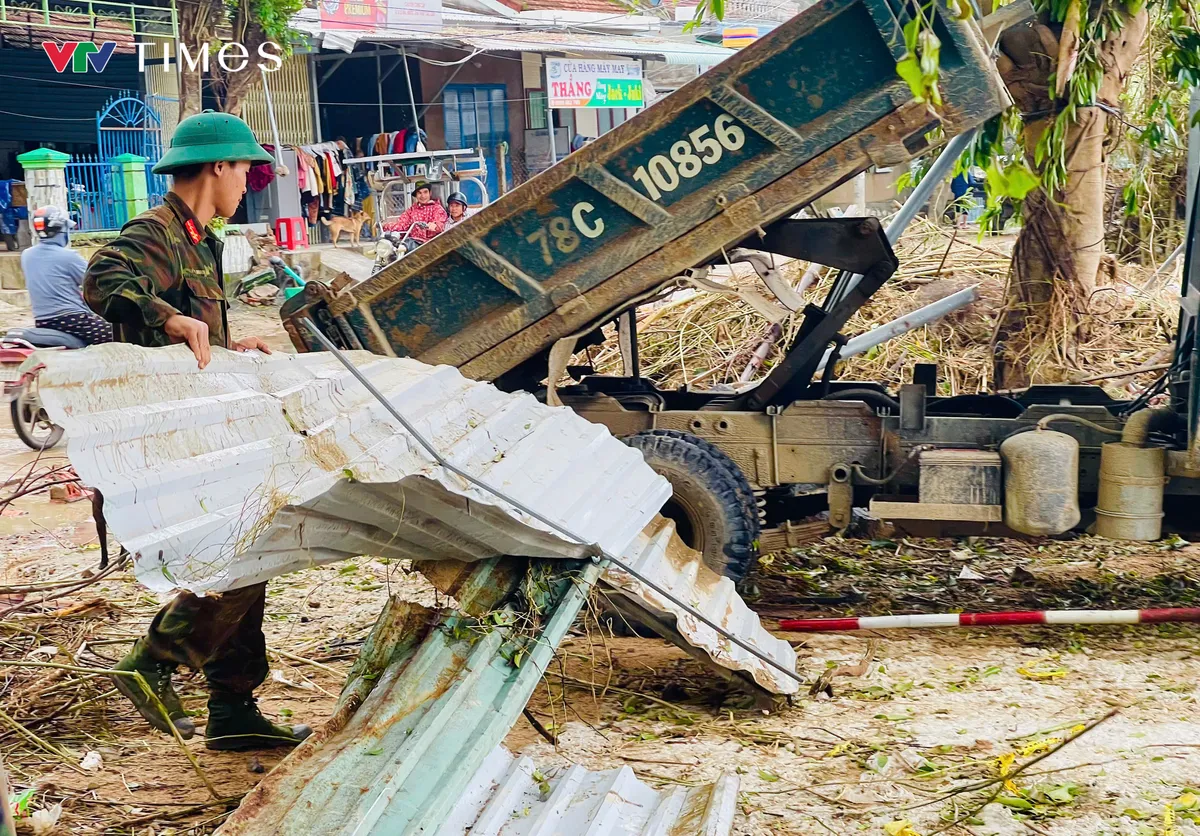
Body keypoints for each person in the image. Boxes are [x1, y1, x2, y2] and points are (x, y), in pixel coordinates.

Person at [84, 111, 311, 752]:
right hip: (167, 437)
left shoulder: (202, 241)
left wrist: (238, 350)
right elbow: (102, 280)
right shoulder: (155, 232)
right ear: (217, 167)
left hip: (203, 425)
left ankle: (232, 709)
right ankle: (154, 661)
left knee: (250, 553)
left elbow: (201, 338)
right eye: (243, 169)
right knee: (241, 552)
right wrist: (171, 318)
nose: (247, 183)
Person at [21, 206, 113, 344]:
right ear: (62, 230)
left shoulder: (26, 255)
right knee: (125, 332)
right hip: (73, 321)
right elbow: (99, 283)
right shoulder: (69, 257)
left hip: (42, 321)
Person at [382, 181, 447, 244]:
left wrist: (434, 226)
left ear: (430, 193)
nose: (423, 196)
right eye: (419, 193)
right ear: (416, 195)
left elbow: (440, 224)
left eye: (425, 192)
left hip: (431, 244)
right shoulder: (411, 210)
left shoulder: (437, 209)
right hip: (413, 243)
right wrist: (384, 226)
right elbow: (402, 225)